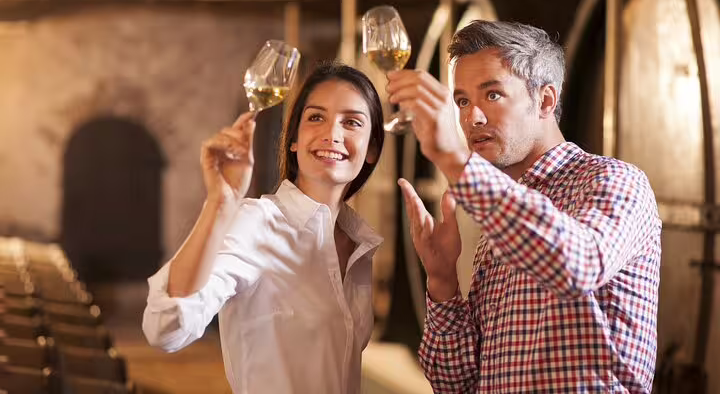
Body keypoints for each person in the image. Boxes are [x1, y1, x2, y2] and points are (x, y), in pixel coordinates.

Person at [387, 20, 661, 393]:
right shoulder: (501, 221)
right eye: (463, 101)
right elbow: (456, 385)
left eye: (493, 95)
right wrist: (442, 281)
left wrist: (452, 157)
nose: (472, 118)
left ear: (545, 100)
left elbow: (577, 267)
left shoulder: (614, 182)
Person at [142, 62, 385, 394]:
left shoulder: (359, 243)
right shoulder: (258, 222)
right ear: (294, 140)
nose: (332, 134)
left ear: (371, 148)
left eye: (352, 122)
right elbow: (167, 327)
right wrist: (220, 204)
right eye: (316, 117)